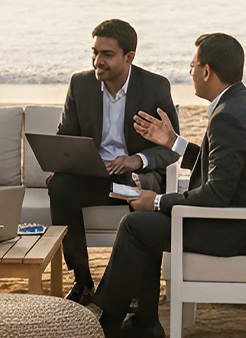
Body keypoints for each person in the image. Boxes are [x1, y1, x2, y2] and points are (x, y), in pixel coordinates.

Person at [90, 33, 246, 337]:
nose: (190, 72)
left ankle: (107, 324)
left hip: (241, 229)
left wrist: (156, 200)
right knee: (146, 226)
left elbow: (216, 193)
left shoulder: (227, 117)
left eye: (192, 66)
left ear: (206, 71)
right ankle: (145, 323)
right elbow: (223, 166)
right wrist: (173, 142)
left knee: (135, 225)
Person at [53, 19, 190, 304]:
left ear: (129, 57)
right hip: (96, 177)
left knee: (136, 186)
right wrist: (80, 159)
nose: (97, 61)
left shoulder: (154, 87)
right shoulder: (80, 84)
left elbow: (171, 149)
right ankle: (82, 280)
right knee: (60, 187)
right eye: (94, 52)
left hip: (134, 179)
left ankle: (139, 290)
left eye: (106, 54)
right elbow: (66, 135)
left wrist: (135, 160)